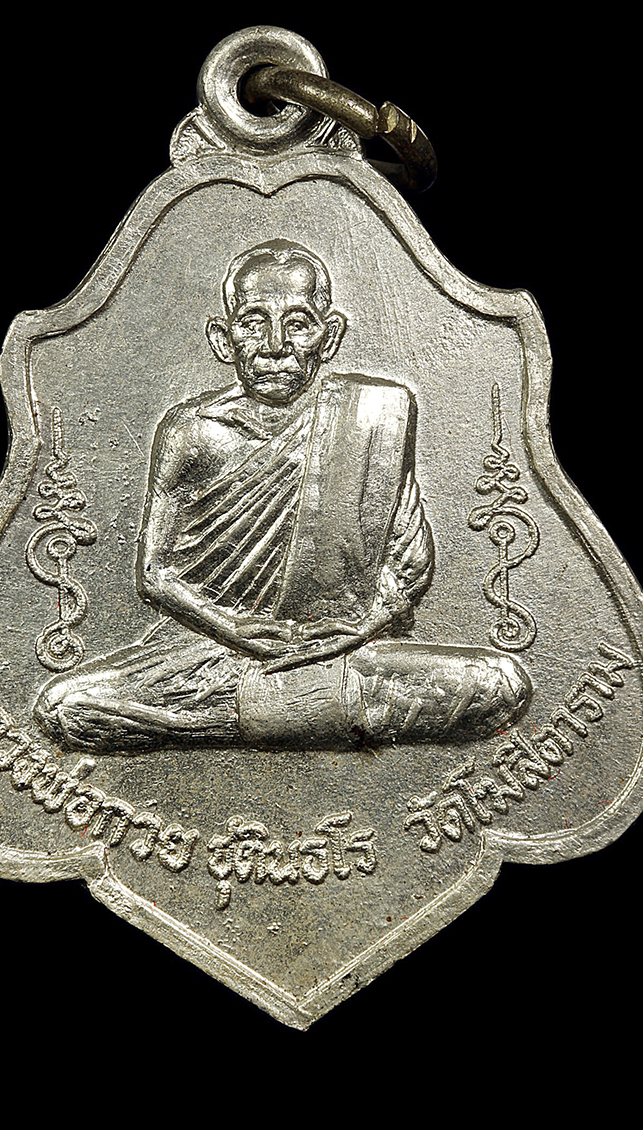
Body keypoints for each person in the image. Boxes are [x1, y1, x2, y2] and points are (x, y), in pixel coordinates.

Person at [34, 240, 531, 752]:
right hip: (211, 649)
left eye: (297, 324)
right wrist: (237, 630)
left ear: (328, 336)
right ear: (223, 339)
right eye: (254, 324)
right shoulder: (191, 432)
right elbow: (155, 575)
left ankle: (254, 713)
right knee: (66, 706)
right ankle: (305, 710)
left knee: (499, 685)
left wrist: (355, 630)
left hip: (346, 647)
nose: (275, 345)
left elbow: (407, 570)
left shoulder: (372, 416)